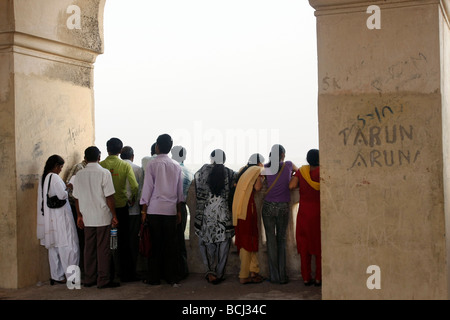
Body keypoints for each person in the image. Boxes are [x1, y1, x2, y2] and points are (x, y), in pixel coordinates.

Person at [140, 134, 185, 286]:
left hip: (154, 210)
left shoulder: (151, 165)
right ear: (170, 148)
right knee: (171, 245)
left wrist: (144, 211)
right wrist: (178, 212)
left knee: (155, 245)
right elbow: (179, 193)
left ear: (157, 146)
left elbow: (147, 189)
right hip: (171, 211)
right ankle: (171, 277)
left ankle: (154, 277)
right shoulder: (176, 166)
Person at [72, 146, 119, 289]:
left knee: (89, 248)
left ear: (85, 159)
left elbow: (76, 198)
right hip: (102, 216)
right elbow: (109, 197)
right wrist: (114, 215)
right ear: (99, 157)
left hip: (87, 217)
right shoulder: (104, 173)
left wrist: (79, 216)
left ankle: (89, 278)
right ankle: (103, 279)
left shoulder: (79, 175)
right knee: (103, 249)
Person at [193, 149, 236, 284]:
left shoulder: (203, 171)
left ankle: (210, 271)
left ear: (212, 158)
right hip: (224, 214)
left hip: (207, 214)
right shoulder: (230, 173)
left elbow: (196, 183)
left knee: (207, 243)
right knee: (224, 243)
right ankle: (220, 273)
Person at [100, 137, 139, 282]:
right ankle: (126, 274)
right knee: (124, 242)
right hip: (122, 208)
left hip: (105, 209)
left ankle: (108, 273)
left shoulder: (101, 165)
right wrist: (131, 199)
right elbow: (134, 186)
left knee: (106, 242)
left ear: (107, 149)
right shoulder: (125, 165)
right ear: (120, 150)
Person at [37, 155, 80, 285]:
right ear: (55, 166)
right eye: (60, 167)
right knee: (70, 246)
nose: (61, 170)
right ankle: (72, 278)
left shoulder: (43, 177)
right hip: (61, 216)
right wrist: (70, 186)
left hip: (50, 218)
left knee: (54, 247)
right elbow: (62, 195)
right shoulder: (54, 178)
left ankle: (57, 276)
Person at [261, 144, 298, 284]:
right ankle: (282, 277)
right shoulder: (288, 165)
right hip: (283, 206)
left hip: (268, 206)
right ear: (283, 154)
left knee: (271, 241)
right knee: (281, 240)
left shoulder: (266, 166)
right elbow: (299, 172)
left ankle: (274, 276)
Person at [289, 149, 321, 287]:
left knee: (305, 246)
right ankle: (319, 278)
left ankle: (306, 278)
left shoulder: (302, 171)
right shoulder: (322, 171)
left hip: (304, 213)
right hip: (318, 213)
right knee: (319, 246)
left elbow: (291, 185)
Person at [232, 153, 266, 284]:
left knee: (244, 238)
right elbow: (257, 187)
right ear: (259, 163)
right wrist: (261, 178)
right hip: (247, 208)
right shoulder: (256, 170)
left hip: (237, 209)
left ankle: (253, 271)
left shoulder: (243, 170)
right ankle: (244, 275)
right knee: (249, 239)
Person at [120, 146, 145, 279]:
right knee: (133, 242)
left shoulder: (115, 167)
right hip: (134, 211)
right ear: (132, 156)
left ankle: (120, 270)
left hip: (118, 210)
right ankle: (132, 271)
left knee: (119, 241)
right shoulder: (138, 169)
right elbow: (140, 190)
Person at [171, 145, 194, 280]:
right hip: (183, 208)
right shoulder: (189, 172)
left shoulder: (170, 170)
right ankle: (182, 270)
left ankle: (170, 270)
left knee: (168, 240)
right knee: (180, 240)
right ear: (184, 157)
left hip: (170, 207)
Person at [65, 159, 87, 272]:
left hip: (79, 206)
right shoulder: (80, 168)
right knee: (81, 238)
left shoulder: (84, 168)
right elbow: (71, 188)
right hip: (76, 206)